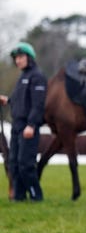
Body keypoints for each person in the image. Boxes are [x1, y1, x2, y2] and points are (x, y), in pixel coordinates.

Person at [0, 41, 47, 202]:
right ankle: (19, 197)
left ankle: (36, 196)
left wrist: (32, 125)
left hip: (28, 127)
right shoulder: (23, 77)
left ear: (29, 57)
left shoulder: (37, 76)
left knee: (25, 164)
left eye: (20, 57)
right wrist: (7, 100)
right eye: (16, 58)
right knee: (13, 164)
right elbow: (20, 99)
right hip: (16, 125)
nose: (17, 61)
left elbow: (37, 104)